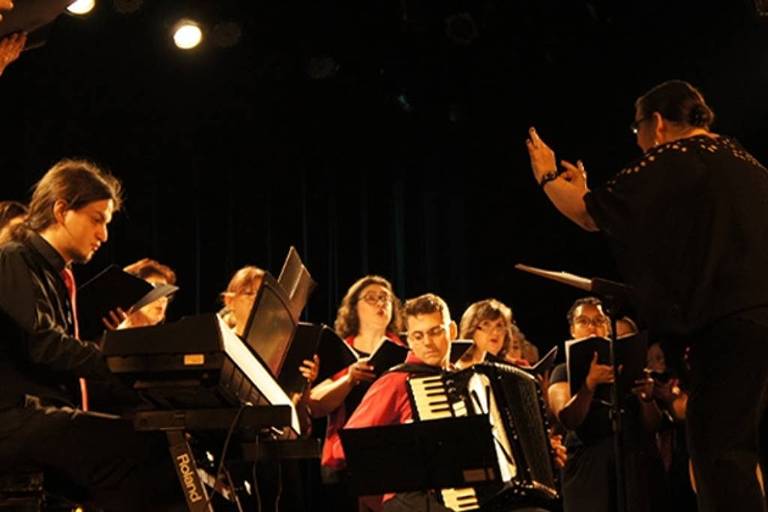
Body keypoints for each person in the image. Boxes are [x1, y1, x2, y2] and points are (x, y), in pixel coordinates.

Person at [526, 79, 768, 511]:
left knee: (718, 455)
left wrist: (546, 175)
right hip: (760, 321)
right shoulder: (744, 159)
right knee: (743, 453)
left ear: (656, 123)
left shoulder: (674, 156)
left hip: (730, 324)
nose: (639, 144)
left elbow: (588, 213)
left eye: (636, 131)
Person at [0, 159, 183, 511]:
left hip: (40, 416)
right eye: (97, 219)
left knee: (161, 443)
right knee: (152, 450)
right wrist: (124, 363)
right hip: (14, 419)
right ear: (61, 209)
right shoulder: (14, 259)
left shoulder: (58, 276)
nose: (104, 235)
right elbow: (45, 345)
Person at [327, 293, 567, 511]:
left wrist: (543, 454)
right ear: (408, 340)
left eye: (435, 331)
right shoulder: (396, 382)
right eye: (418, 336)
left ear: (452, 331)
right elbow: (340, 450)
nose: (428, 343)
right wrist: (409, 445)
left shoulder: (472, 380)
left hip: (480, 493)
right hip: (413, 498)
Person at [547, 297, 662, 512]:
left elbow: (653, 425)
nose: (592, 327)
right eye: (583, 321)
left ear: (607, 328)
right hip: (588, 468)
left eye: (599, 321)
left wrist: (647, 398)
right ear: (572, 330)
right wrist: (589, 385)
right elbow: (568, 418)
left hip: (629, 462)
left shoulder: (625, 365)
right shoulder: (562, 371)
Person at [309, 275, 404, 510]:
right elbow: (316, 405)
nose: (380, 303)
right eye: (371, 298)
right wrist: (349, 379)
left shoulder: (405, 352)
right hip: (348, 461)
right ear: (354, 308)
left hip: (396, 458)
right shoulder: (339, 351)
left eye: (385, 298)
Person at [456, 298, 534, 368]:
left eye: (499, 326)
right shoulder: (455, 369)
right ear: (471, 330)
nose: (495, 332)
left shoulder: (511, 370)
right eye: (486, 324)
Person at [119, 257, 176, 328]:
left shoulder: (170, 337)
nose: (162, 299)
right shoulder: (110, 336)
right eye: (154, 291)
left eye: (165, 293)